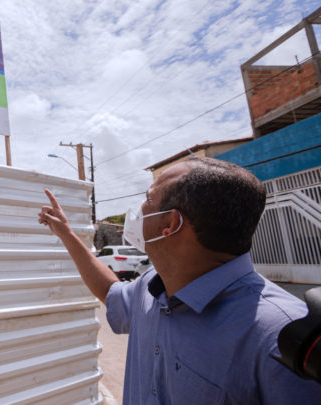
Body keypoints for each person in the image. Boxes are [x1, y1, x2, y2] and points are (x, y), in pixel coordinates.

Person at [38, 157, 321, 404]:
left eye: (149, 200)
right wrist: (66, 234)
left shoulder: (283, 340)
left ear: (170, 224)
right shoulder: (150, 287)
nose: (138, 210)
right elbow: (110, 291)